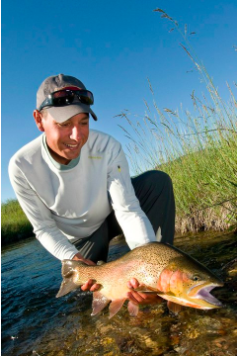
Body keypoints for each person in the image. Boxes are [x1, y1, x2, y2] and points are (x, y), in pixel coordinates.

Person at [9, 74, 175, 306]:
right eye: (64, 124)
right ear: (39, 120)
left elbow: (127, 209)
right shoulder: (22, 166)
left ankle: (167, 277)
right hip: (82, 238)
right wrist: (73, 259)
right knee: (91, 296)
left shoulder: (108, 147)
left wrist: (146, 264)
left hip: (111, 213)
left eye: (83, 122)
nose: (77, 136)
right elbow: (44, 228)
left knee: (157, 182)